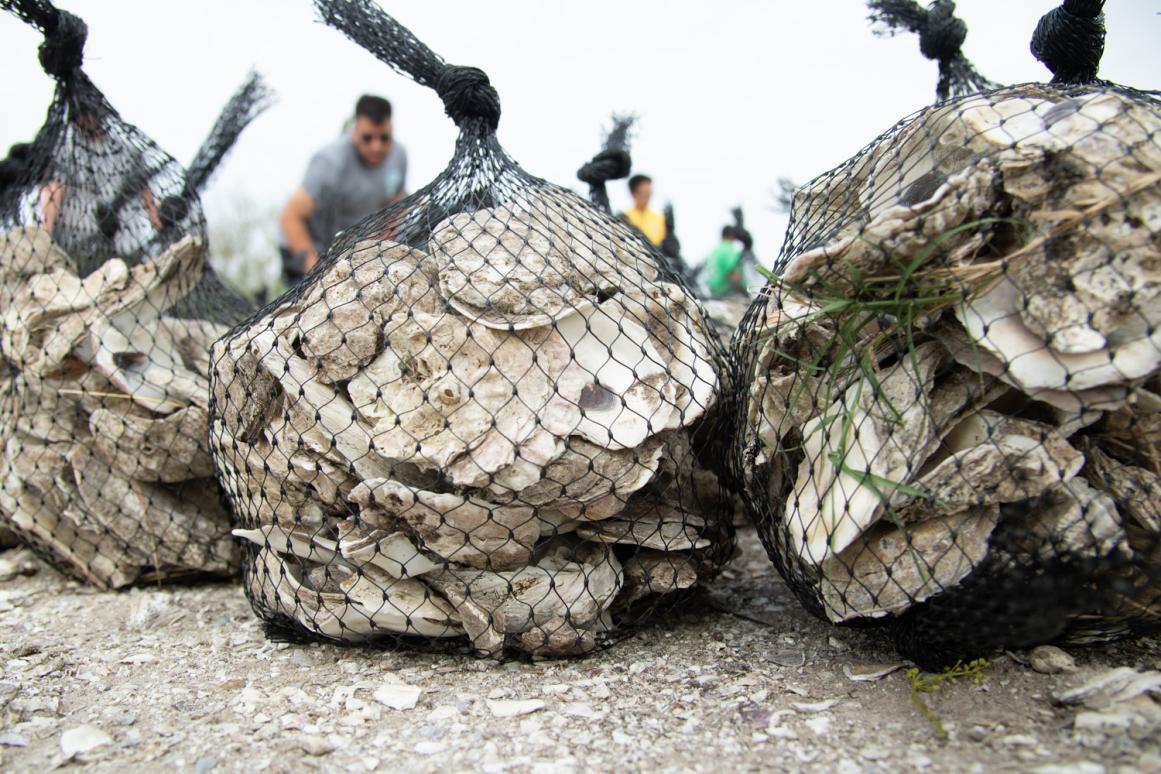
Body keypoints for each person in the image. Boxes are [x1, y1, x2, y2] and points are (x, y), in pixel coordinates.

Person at [279, 94, 408, 285]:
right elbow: (290, 217)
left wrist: (376, 259)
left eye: (384, 138)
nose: (376, 146)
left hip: (349, 251)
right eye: (368, 138)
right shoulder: (330, 162)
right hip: (307, 247)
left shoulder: (398, 156)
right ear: (355, 131)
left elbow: (394, 210)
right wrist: (317, 274)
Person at [621, 174, 666, 248]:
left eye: (650, 194)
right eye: (644, 194)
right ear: (634, 194)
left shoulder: (659, 217)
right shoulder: (624, 218)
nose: (648, 198)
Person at [704, 225, 745, 298]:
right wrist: (744, 293)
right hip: (726, 293)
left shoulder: (715, 250)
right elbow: (733, 275)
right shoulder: (729, 250)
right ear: (732, 236)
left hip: (713, 292)